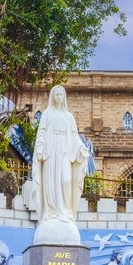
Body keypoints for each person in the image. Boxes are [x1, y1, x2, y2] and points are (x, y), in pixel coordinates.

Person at [32, 85, 88, 223]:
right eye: (56, 95)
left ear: (64, 97)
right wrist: (40, 146)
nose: (59, 97)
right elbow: (42, 132)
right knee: (51, 180)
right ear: (53, 97)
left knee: (66, 179)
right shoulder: (47, 114)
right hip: (51, 150)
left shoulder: (68, 116)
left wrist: (81, 147)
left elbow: (74, 135)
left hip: (65, 149)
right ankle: (51, 210)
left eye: (61, 95)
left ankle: (66, 210)